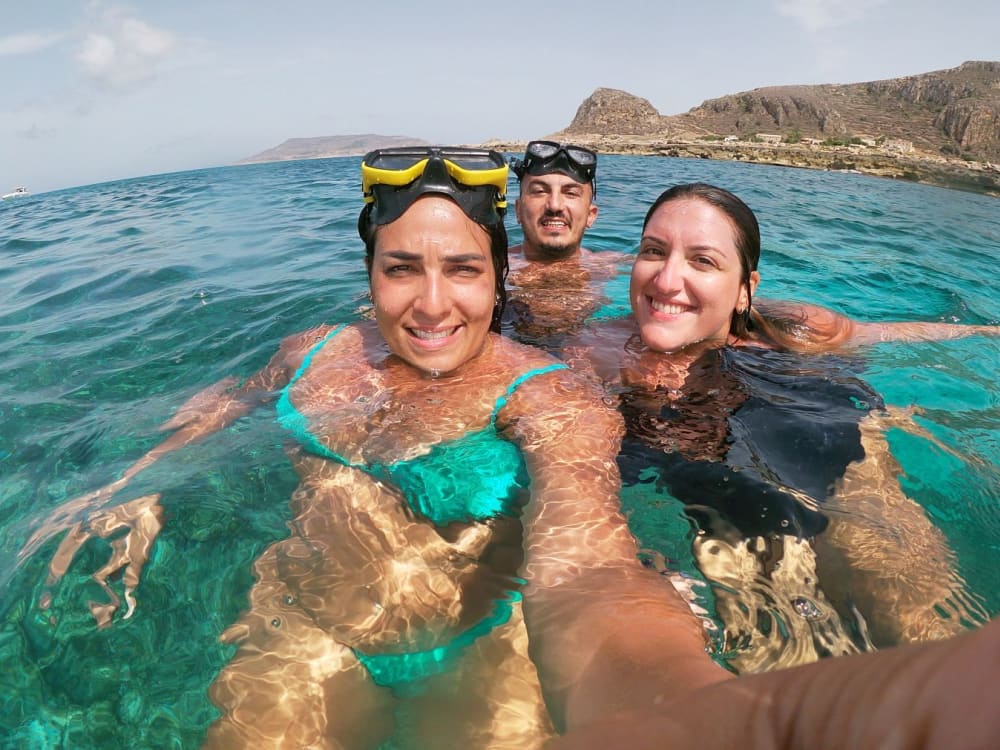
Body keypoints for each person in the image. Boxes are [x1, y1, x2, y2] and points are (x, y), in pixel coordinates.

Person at [561, 182, 998, 673]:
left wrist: (988, 333)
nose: (666, 279)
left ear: (746, 289)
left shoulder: (796, 328)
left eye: (702, 261)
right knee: (777, 650)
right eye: (653, 251)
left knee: (918, 625)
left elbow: (893, 334)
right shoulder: (592, 349)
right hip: (706, 469)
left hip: (822, 427)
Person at [504, 141, 628, 347]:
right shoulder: (492, 267)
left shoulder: (618, 267)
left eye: (571, 193)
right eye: (539, 191)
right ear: (518, 210)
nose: (554, 205)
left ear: (591, 215)